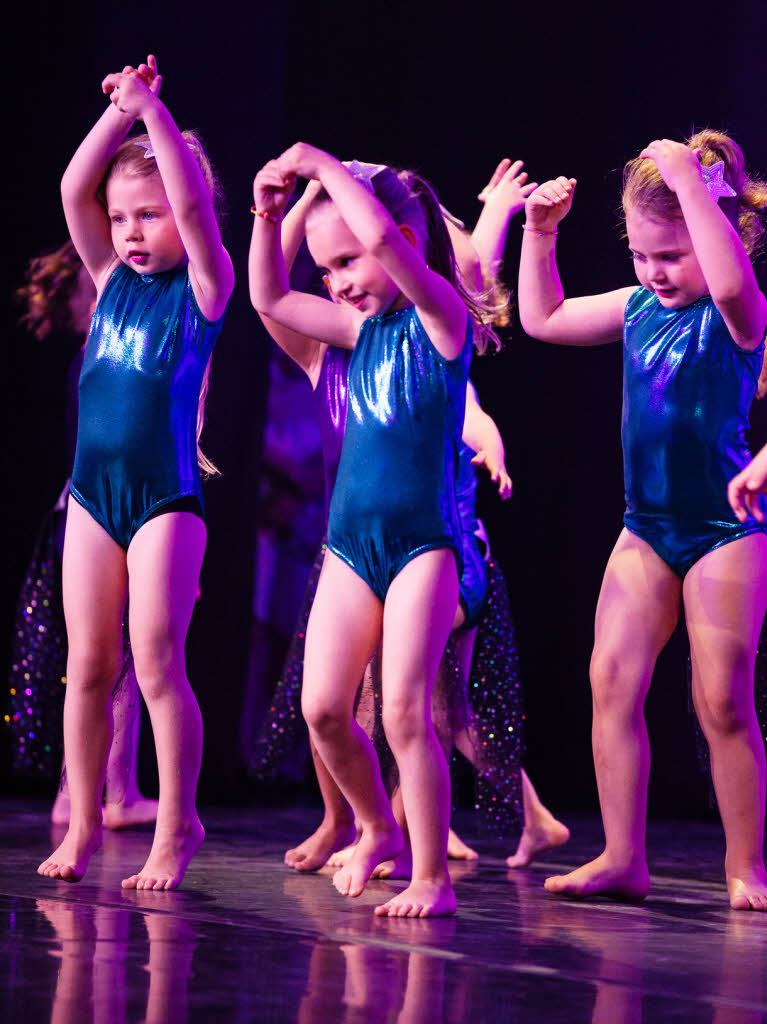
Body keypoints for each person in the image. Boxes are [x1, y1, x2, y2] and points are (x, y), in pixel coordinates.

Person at [518, 130, 767, 910]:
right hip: (644, 529)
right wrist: (538, 233)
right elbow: (543, 317)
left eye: (673, 255)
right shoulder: (633, 309)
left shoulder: (739, 314)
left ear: (716, 236)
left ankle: (745, 864)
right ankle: (623, 855)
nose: (655, 272)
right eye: (641, 255)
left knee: (720, 698)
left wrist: (691, 182)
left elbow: (727, 286)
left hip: (724, 532)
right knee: (610, 682)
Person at [250, 143, 499, 917]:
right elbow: (265, 296)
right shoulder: (350, 337)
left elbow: (388, 244)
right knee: (322, 708)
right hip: (349, 548)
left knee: (402, 712)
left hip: (423, 545)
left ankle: (432, 875)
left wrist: (326, 168)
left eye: (348, 262)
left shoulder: (441, 321)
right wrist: (269, 213)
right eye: (325, 271)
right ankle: (374, 826)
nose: (337, 282)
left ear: (405, 242)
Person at [37, 55, 233, 890]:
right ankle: (83, 821)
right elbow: (71, 187)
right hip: (91, 496)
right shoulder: (109, 280)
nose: (130, 231)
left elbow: (190, 205)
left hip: (163, 498)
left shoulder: (204, 287)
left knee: (154, 657)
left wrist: (155, 112)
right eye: (122, 218)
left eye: (147, 216)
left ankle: (176, 821)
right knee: (87, 666)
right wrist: (117, 114)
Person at [10, 240, 158, 830]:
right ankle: (111, 794)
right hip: (97, 514)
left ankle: (90, 793)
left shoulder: (94, 358)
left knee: (104, 659)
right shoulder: (106, 355)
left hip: (83, 513)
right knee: (113, 660)